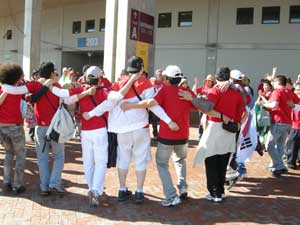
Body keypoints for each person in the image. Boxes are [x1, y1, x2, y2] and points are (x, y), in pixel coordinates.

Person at [83, 56, 178, 204]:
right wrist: (168, 120)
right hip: (141, 128)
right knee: (140, 160)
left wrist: (91, 113)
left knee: (123, 159)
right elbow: (153, 105)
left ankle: (122, 189)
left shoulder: (118, 83)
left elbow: (108, 104)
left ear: (127, 69)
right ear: (141, 69)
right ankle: (139, 192)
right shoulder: (145, 83)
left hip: (122, 130)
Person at [120, 65, 194, 207]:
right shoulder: (187, 92)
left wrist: (129, 106)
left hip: (167, 136)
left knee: (162, 164)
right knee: (180, 160)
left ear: (167, 78)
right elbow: (198, 106)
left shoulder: (164, 90)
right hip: (184, 135)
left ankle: (171, 195)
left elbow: (150, 103)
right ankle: (183, 187)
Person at [184, 66, 245, 203]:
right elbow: (242, 110)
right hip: (230, 129)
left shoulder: (215, 90)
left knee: (211, 161)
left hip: (215, 128)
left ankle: (214, 193)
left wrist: (191, 99)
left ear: (217, 77)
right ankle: (220, 191)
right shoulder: (236, 92)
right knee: (223, 162)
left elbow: (206, 108)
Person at [259, 75, 299, 177]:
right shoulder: (289, 92)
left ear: (277, 82)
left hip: (278, 122)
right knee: (280, 146)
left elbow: (274, 105)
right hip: (287, 123)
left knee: (269, 145)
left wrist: (263, 105)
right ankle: (275, 167)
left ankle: (280, 166)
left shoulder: (277, 91)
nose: (272, 84)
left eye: (273, 82)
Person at [0, 63, 27, 195]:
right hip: (15, 127)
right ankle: (17, 185)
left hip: (2, 127)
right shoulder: (17, 90)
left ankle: (6, 182)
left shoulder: (2, 89)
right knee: (20, 155)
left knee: (8, 154)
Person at [286, 83, 300, 169]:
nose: (298, 91)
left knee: (294, 145)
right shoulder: (293, 99)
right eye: (297, 89)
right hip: (293, 125)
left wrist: (294, 106)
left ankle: (292, 162)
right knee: (293, 144)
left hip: (297, 126)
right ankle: (291, 162)